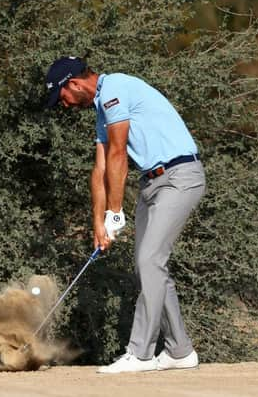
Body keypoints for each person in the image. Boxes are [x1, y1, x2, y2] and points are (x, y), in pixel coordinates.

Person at [45, 56, 206, 373]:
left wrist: (115, 211)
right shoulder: (102, 111)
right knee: (148, 265)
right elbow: (100, 168)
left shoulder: (114, 89)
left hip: (180, 176)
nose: (63, 105)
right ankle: (180, 351)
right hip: (153, 183)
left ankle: (141, 354)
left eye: (61, 97)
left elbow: (119, 154)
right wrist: (98, 222)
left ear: (74, 84)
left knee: (150, 261)